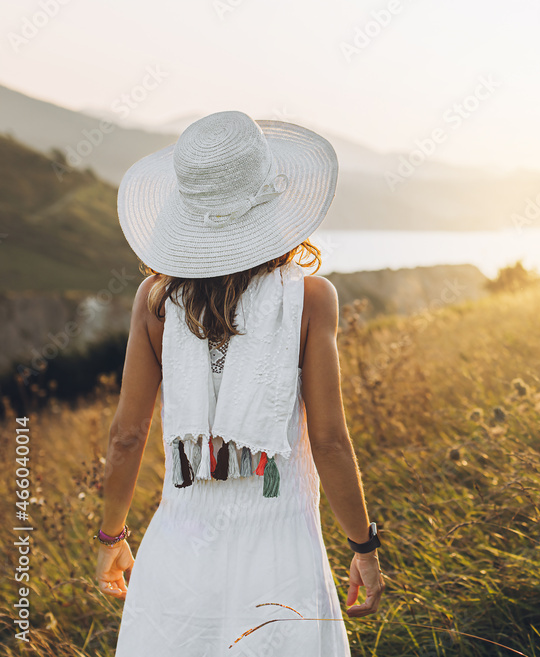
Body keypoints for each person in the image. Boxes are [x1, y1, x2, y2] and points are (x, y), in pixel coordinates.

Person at [94, 110, 384, 655]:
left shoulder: (154, 302)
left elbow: (126, 436)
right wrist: (362, 546)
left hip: (179, 552)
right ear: (271, 203)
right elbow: (329, 441)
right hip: (281, 551)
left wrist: (111, 537)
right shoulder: (312, 299)